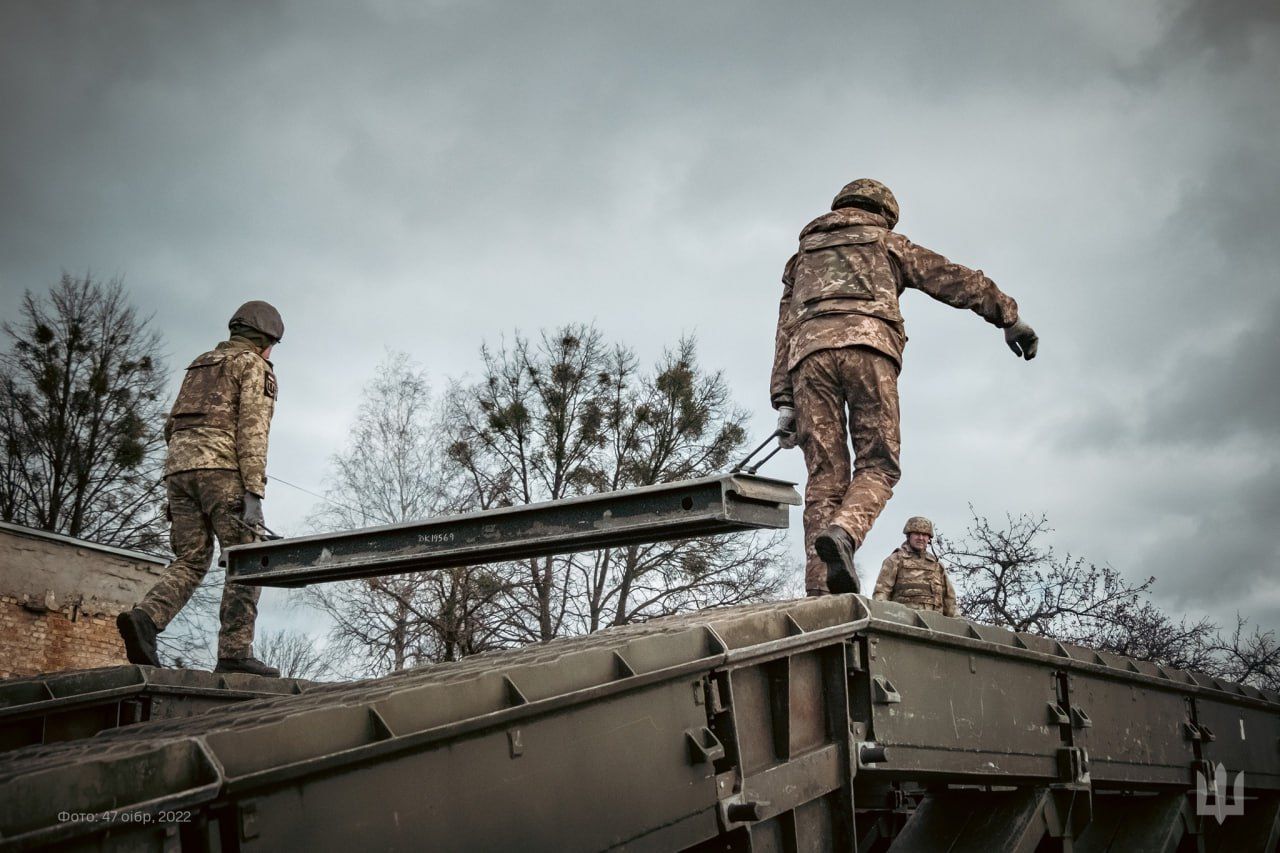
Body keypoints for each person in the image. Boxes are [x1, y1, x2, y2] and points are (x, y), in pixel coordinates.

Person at [770, 178, 1038, 596]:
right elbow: (952, 279)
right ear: (884, 212)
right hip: (870, 353)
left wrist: (785, 401)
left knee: (824, 476)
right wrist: (1009, 316)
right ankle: (844, 532)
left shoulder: (800, 258)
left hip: (809, 361)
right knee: (878, 465)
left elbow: (784, 329)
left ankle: (821, 591)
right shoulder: (887, 243)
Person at [117, 301, 285, 676]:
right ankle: (234, 653)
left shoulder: (201, 364)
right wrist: (253, 494)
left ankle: (145, 618)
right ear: (264, 341)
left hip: (178, 471)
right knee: (248, 558)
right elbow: (253, 432)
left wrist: (182, 476)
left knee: (190, 560)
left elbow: (170, 426)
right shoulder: (253, 366)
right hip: (222, 472)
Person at [873, 516, 957, 616]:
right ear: (909, 536)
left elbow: (950, 602)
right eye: (917, 534)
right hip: (904, 624)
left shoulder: (937, 565)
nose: (921, 538)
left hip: (935, 625)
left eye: (924, 535)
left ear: (929, 538)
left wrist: (958, 621)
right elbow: (881, 595)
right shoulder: (895, 560)